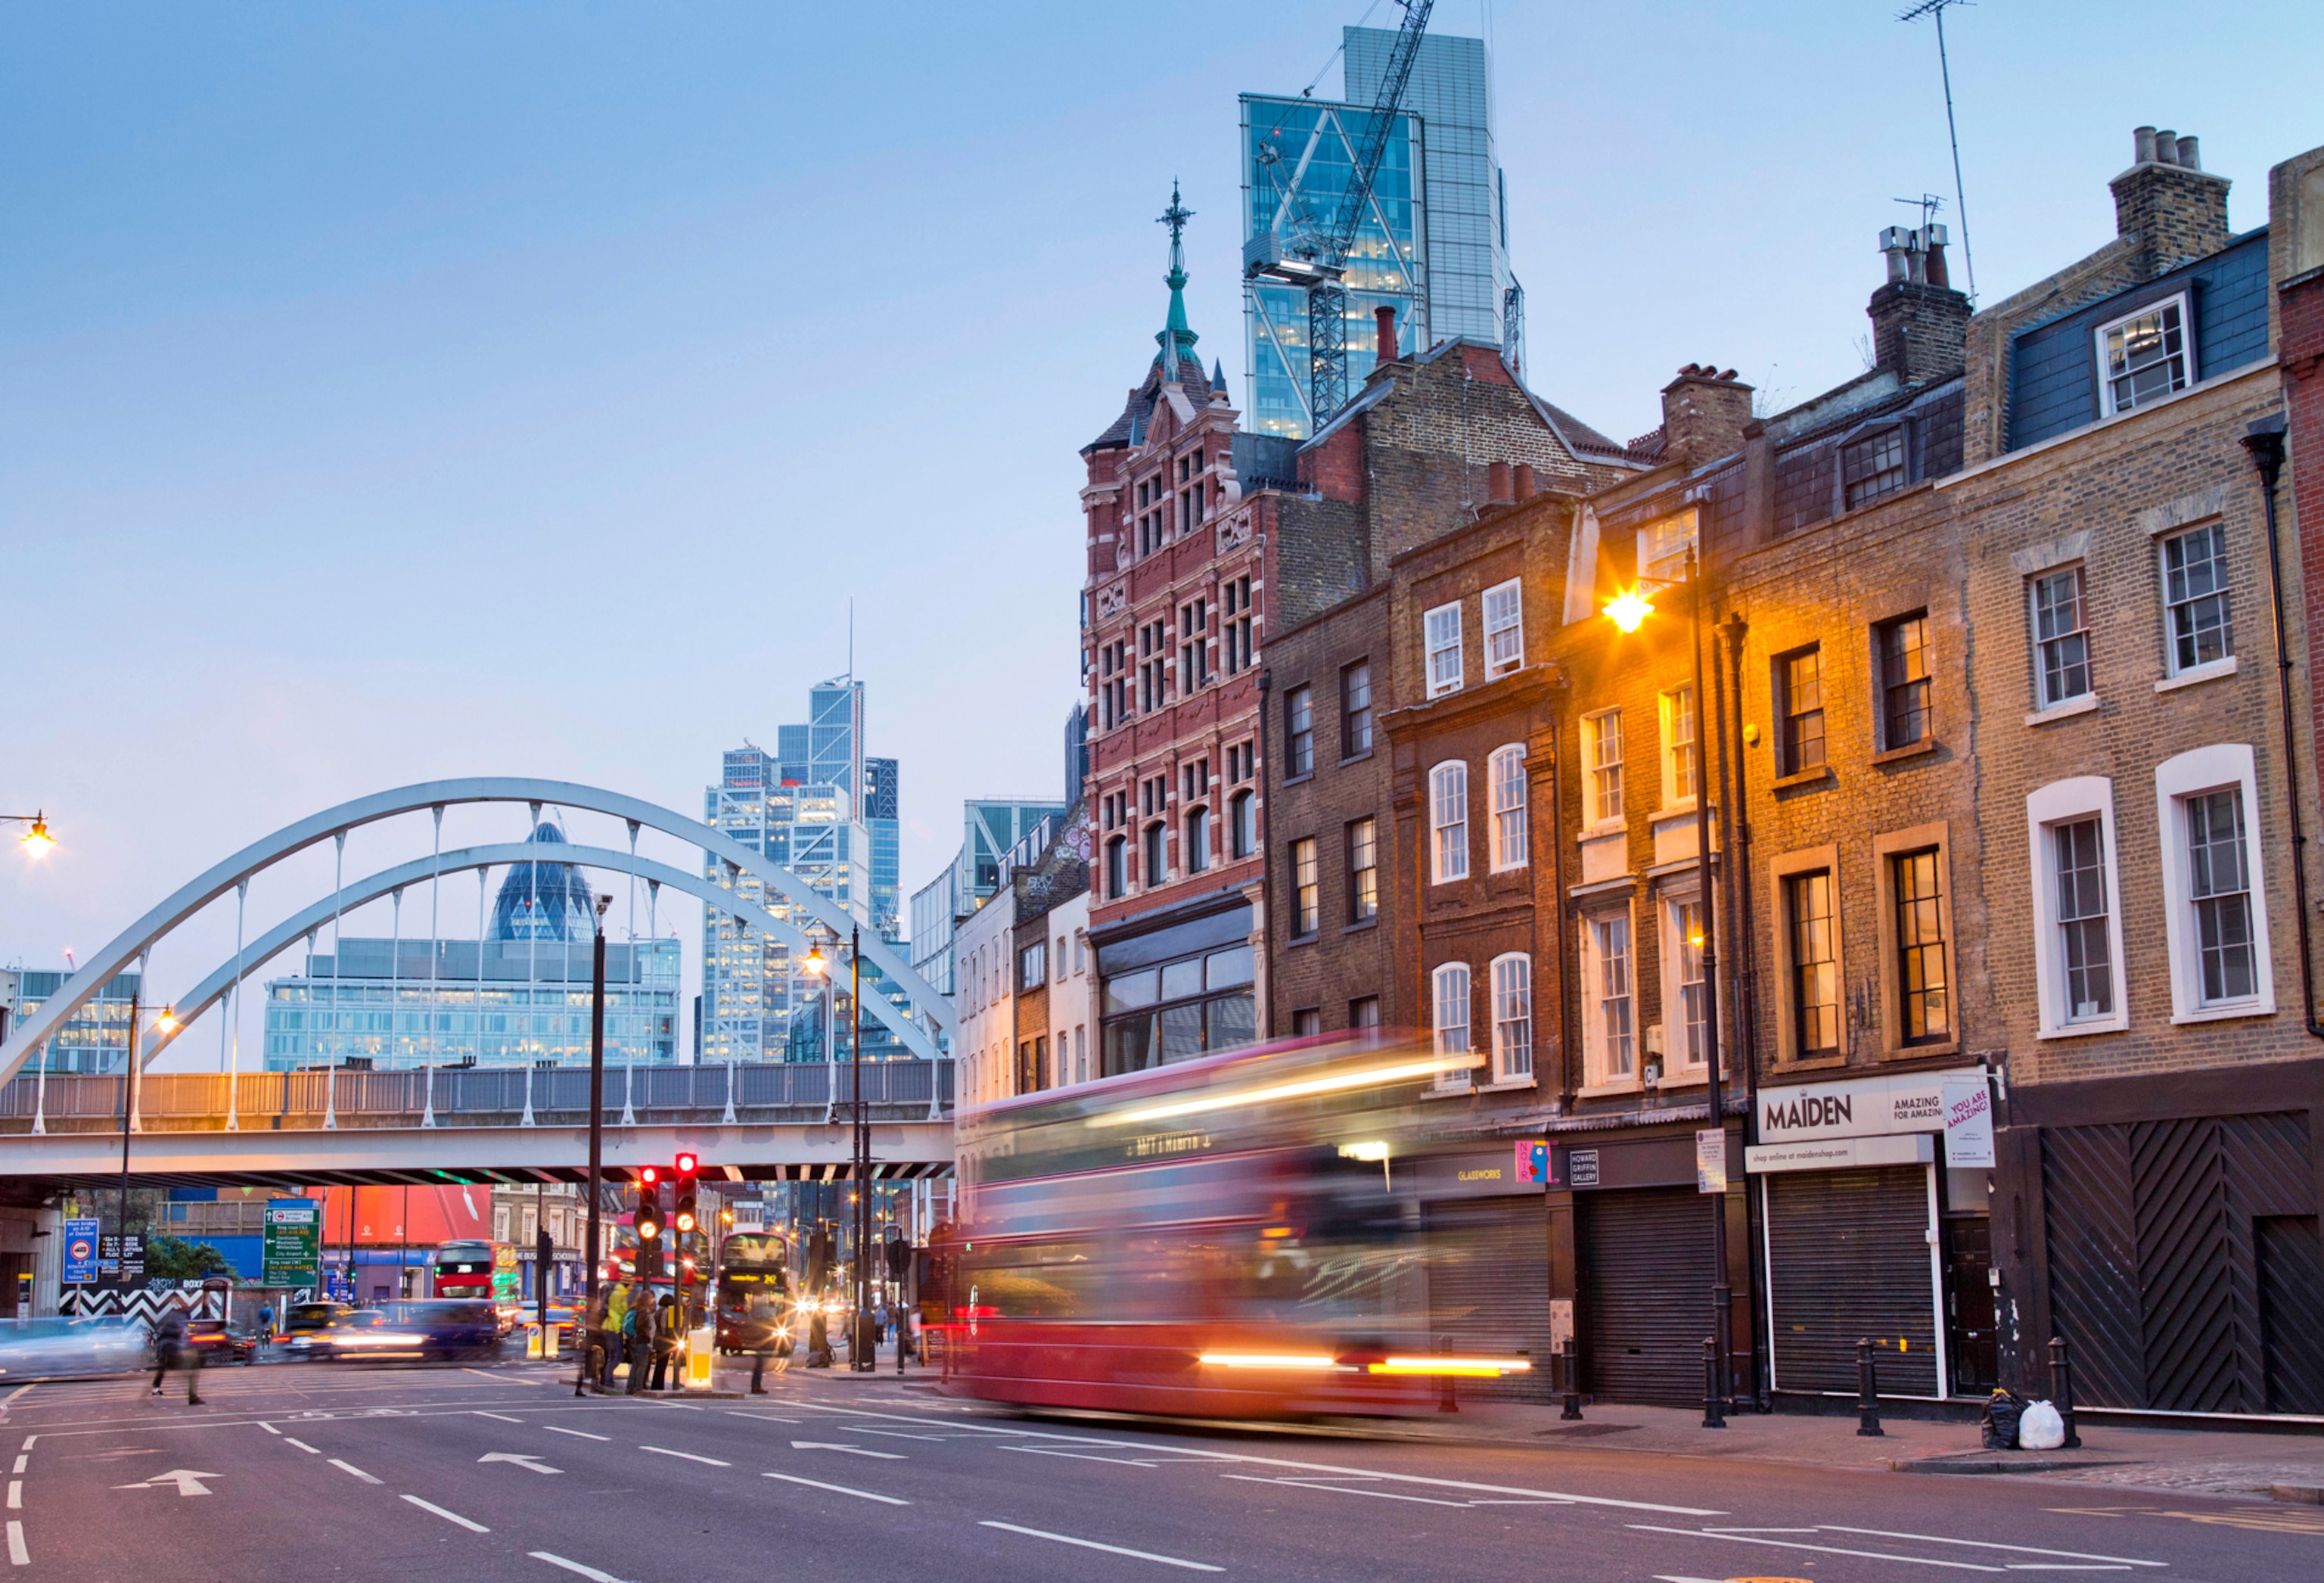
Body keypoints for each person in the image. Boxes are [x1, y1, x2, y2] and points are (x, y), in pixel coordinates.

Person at [150, 1308, 203, 1406]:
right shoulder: (178, 1321)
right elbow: (180, 1334)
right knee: (192, 1372)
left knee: (162, 1370)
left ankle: (155, 1389)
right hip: (173, 1352)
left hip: (167, 1352)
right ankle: (193, 1397)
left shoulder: (171, 1321)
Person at [624, 1288, 653, 1395]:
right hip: (640, 1340)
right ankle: (638, 1386)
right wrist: (647, 1334)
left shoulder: (634, 1309)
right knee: (642, 1364)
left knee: (636, 1364)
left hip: (633, 1340)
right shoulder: (643, 1312)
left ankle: (630, 1386)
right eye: (650, 1298)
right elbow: (640, 1325)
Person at [648, 1294, 679, 1391]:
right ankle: (659, 1385)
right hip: (663, 1341)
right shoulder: (666, 1312)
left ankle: (656, 1384)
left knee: (659, 1365)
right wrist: (670, 1336)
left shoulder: (658, 1311)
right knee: (662, 1365)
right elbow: (664, 1325)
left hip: (657, 1340)